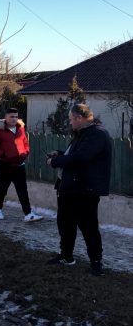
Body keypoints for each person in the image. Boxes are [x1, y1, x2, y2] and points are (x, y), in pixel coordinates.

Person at [46, 104, 112, 276]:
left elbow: (82, 157)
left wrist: (56, 162)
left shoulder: (97, 134)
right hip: (69, 187)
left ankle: (96, 263)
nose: (70, 122)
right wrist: (59, 154)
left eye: (70, 119)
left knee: (88, 227)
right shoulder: (82, 134)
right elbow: (74, 154)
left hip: (85, 190)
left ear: (79, 118)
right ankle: (66, 256)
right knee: (65, 224)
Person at [0, 108, 43, 222]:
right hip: (4, 165)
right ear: (6, 117)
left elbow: (25, 143)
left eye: (16, 116)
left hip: (19, 165)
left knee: (22, 190)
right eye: (11, 116)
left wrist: (25, 153)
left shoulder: (20, 129)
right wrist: (3, 155)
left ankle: (28, 214)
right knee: (2, 188)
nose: (14, 119)